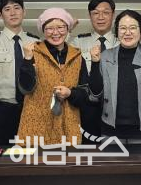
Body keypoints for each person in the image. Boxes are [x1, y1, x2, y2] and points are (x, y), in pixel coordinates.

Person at [16, 8, 102, 145]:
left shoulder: (77, 56)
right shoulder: (32, 52)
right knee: (35, 159)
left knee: (66, 159)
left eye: (61, 27)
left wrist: (70, 93)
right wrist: (27, 60)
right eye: (50, 28)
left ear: (68, 29)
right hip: (36, 125)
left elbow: (86, 94)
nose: (55, 33)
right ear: (43, 31)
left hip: (68, 125)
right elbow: (25, 89)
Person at [98, 10, 141, 144]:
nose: (128, 32)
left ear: (140, 31)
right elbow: (96, 94)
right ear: (116, 31)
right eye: (123, 28)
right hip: (110, 131)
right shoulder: (105, 56)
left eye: (133, 28)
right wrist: (95, 64)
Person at [0, 0, 40, 145]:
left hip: (31, 108)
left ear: (24, 12)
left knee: (31, 154)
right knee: (2, 154)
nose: (13, 13)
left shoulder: (36, 42)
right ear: (0, 15)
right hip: (2, 109)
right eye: (7, 9)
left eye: (17, 8)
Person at [70, 0, 119, 139]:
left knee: (115, 149)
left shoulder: (122, 41)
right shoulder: (78, 42)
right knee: (89, 149)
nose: (101, 17)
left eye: (106, 12)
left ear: (113, 15)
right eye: (96, 13)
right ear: (89, 16)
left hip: (116, 107)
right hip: (88, 107)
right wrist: (68, 30)